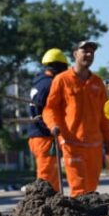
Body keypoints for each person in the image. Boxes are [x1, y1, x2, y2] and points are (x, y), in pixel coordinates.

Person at [43, 40, 109, 196]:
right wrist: (53, 125)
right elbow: (50, 108)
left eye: (91, 52)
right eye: (85, 51)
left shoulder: (98, 83)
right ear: (75, 54)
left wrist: (108, 139)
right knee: (79, 188)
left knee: (91, 189)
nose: (89, 55)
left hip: (94, 145)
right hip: (72, 143)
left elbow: (105, 114)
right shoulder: (62, 80)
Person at [27, 48, 70, 191]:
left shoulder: (39, 81)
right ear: (58, 67)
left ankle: (53, 206)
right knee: (46, 178)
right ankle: (43, 206)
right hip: (44, 136)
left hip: (38, 136)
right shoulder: (49, 84)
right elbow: (40, 112)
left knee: (52, 176)